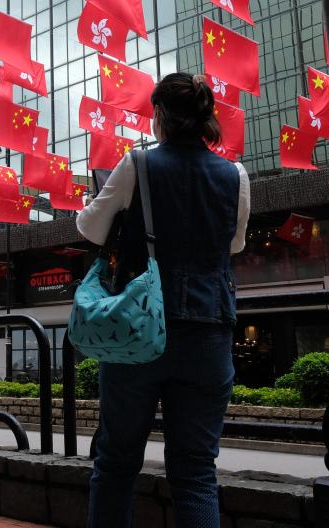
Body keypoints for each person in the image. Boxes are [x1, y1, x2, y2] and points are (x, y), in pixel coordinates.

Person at [77, 72, 249, 528]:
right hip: (209, 330)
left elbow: (90, 229)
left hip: (138, 330)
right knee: (196, 472)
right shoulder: (235, 175)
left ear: (159, 116)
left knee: (116, 463)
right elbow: (233, 245)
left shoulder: (138, 164)